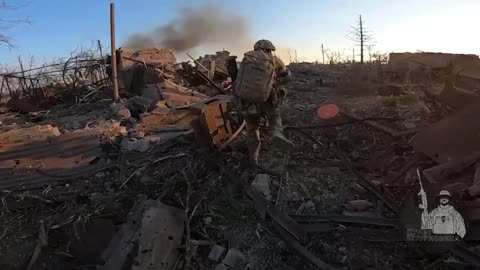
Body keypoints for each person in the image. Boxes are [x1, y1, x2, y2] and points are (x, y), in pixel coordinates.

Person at [237, 39, 293, 165]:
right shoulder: (275, 60)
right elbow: (288, 76)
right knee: (275, 118)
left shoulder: (246, 60)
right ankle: (276, 133)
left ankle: (254, 158)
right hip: (267, 100)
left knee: (252, 129)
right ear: (270, 49)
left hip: (248, 101)